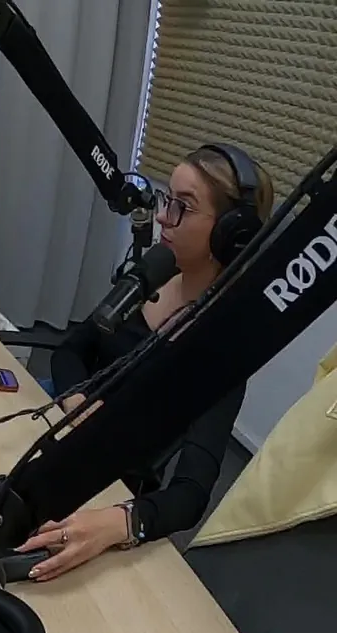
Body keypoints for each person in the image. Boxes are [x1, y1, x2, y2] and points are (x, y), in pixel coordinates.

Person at [18, 144, 275, 581]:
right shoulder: (153, 273)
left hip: (106, 481)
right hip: (60, 429)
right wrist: (79, 401)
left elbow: (190, 494)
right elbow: (70, 351)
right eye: (166, 199)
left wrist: (120, 522)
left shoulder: (224, 346)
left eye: (182, 207)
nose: (161, 217)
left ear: (231, 232)